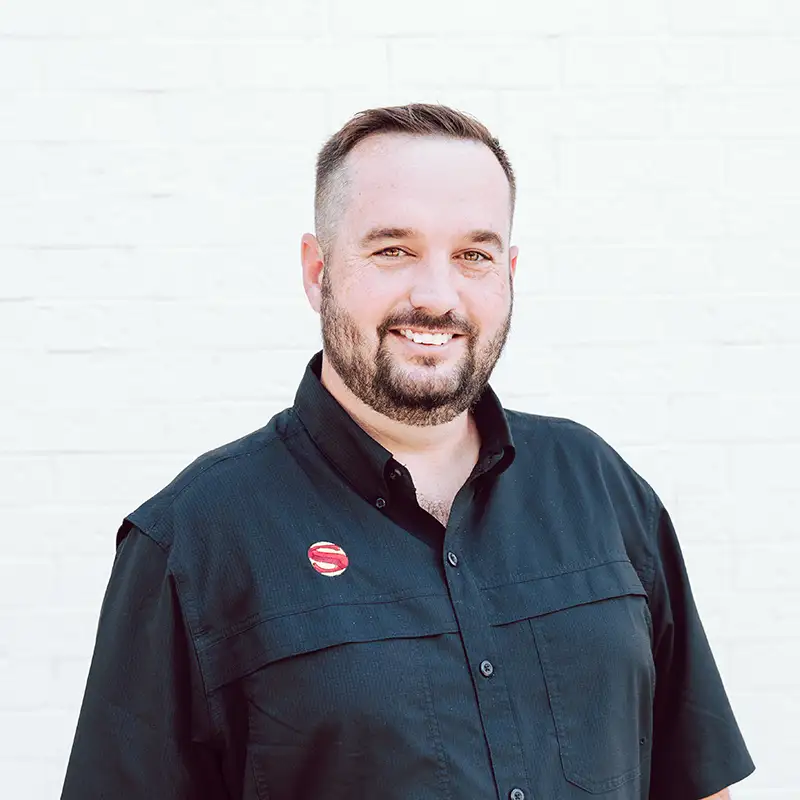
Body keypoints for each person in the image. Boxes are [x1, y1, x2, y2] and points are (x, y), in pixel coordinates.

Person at [61, 103, 754, 800]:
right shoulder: (192, 541)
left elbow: (697, 782)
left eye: (473, 256)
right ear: (317, 269)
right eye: (393, 250)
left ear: (508, 272)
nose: (436, 296)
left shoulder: (599, 487)